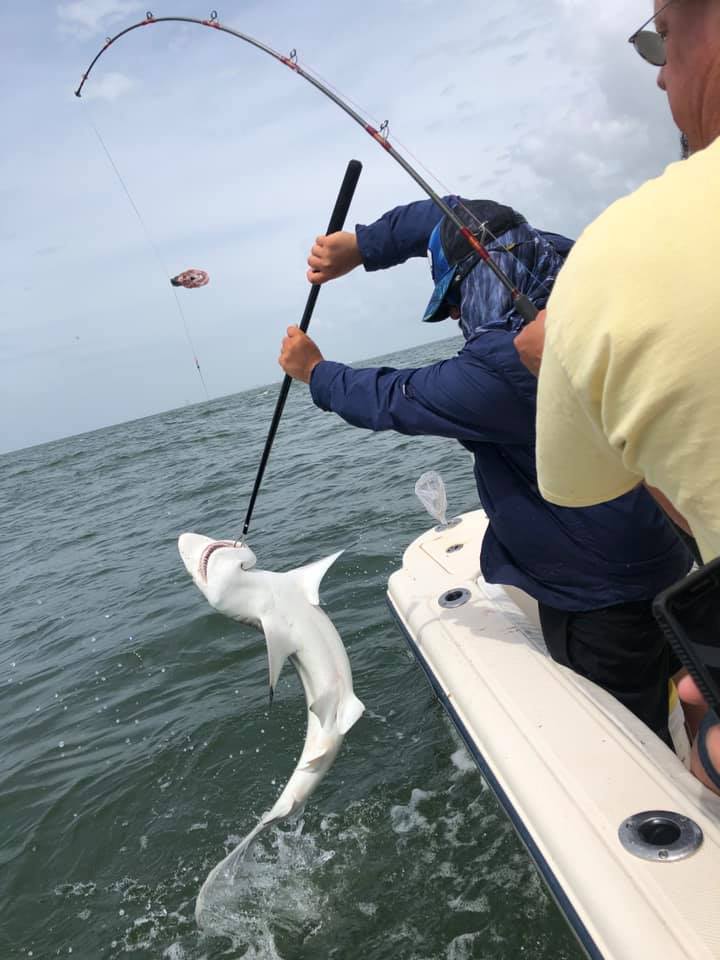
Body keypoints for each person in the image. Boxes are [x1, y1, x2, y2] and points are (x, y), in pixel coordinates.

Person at [278, 195, 692, 745]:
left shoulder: (506, 367)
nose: (456, 315)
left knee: (634, 741)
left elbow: (392, 398)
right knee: (690, 686)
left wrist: (316, 372)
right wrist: (363, 246)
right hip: (669, 550)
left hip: (600, 599)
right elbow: (461, 217)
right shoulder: (577, 278)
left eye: (454, 299)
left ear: (476, 281)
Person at [528, 0, 720, 789]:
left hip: (609, 605)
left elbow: (584, 486)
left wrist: (317, 375)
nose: (660, 77)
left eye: (660, 39)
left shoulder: (606, 263)